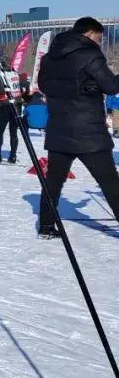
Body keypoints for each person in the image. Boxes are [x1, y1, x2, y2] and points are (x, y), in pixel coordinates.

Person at [36, 16, 119, 237]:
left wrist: (81, 86)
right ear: (89, 33)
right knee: (110, 182)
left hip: (59, 129)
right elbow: (111, 86)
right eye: (99, 37)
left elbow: (44, 86)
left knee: (53, 181)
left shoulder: (50, 57)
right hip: (88, 132)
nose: (99, 42)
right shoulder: (90, 54)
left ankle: (45, 225)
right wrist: (87, 86)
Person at [0, 71, 29, 163]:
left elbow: (1, 90)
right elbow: (27, 84)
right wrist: (26, 96)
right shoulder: (15, 74)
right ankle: (13, 156)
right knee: (13, 132)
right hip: (17, 105)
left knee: (0, 131)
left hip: (6, 105)